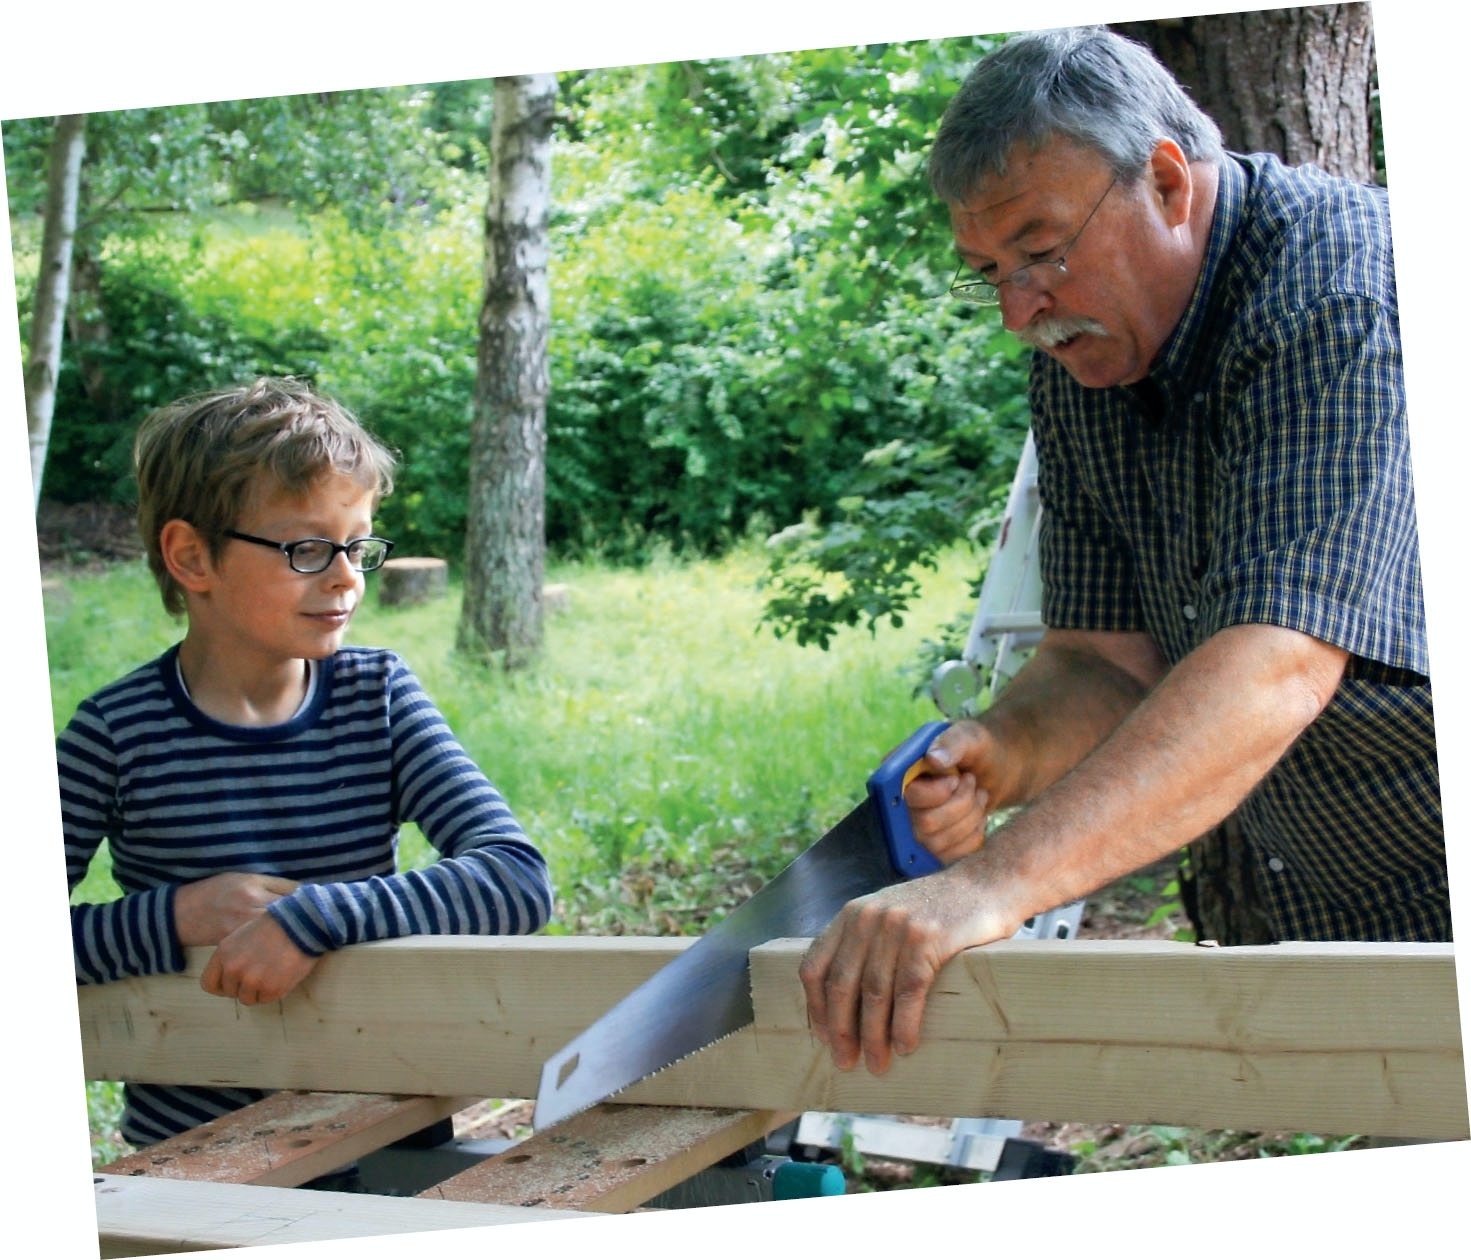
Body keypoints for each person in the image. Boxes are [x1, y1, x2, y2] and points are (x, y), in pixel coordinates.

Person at [799, 26, 1443, 1078]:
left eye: (1042, 251)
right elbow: (1105, 660)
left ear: (1166, 181)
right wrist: (1003, 750)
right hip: (1351, 905)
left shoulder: (1343, 297)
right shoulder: (1086, 356)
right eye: (988, 273)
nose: (1020, 313)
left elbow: (1275, 666)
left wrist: (989, 885)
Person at [60, 377, 554, 1148]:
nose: (348, 577)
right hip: (195, 1158)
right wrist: (177, 916)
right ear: (192, 557)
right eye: (308, 549)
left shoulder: (378, 696)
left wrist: (316, 918)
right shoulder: (116, 733)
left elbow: (517, 878)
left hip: (389, 1134)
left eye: (358, 546)